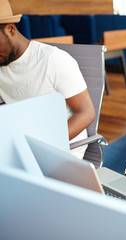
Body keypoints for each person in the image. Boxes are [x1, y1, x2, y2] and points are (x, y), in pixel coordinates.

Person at [0, 0, 95, 159]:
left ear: (10, 29)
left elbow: (86, 113)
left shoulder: (53, 60)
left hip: (61, 149)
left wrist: (40, 146)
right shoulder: (2, 62)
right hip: (21, 145)